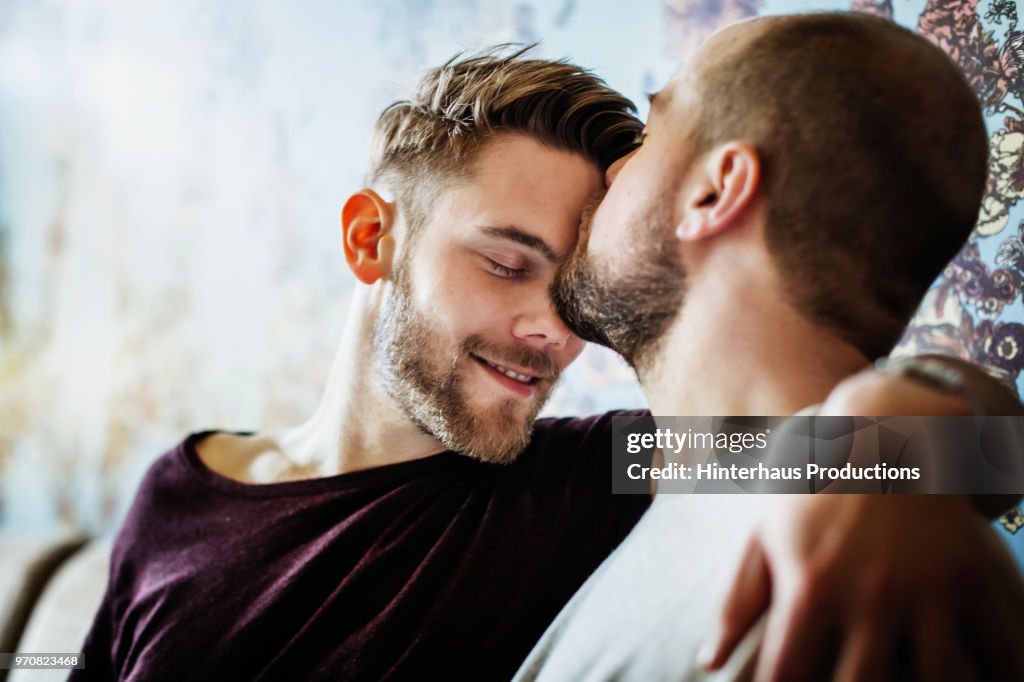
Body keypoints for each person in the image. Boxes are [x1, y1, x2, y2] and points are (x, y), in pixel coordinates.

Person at [75, 45, 1020, 682]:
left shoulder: (575, 486)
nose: (551, 332)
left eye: (565, 291)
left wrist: (911, 405)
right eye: (505, 263)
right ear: (371, 240)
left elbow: (987, 455)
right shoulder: (179, 488)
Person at [515, 12, 1024, 682]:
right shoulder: (672, 470)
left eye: (647, 134)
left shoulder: (858, 596)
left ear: (716, 190)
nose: (610, 172)